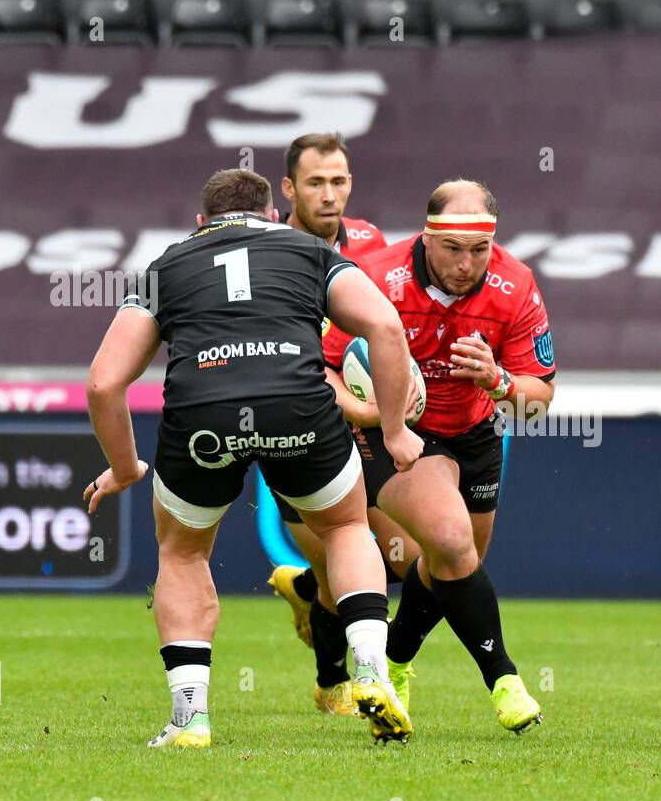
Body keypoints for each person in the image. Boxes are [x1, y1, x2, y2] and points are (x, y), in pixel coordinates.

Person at [84, 168, 422, 747]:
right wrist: (394, 432)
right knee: (344, 529)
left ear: (200, 223)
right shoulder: (309, 250)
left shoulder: (167, 265)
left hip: (202, 420)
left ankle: (191, 719)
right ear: (271, 214)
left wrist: (124, 467)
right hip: (298, 408)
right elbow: (385, 325)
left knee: (184, 554)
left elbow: (102, 384)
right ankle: (368, 664)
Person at [322, 179, 557, 733]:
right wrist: (370, 415)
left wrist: (499, 381)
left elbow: (539, 398)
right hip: (394, 433)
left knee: (451, 564)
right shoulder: (375, 277)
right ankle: (504, 679)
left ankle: (396, 663)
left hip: (474, 434)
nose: (465, 264)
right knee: (450, 542)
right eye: (452, 249)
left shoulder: (516, 285)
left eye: (479, 250)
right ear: (427, 236)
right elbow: (320, 367)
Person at [259, 132, 422, 719]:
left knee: (397, 559)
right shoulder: (266, 248)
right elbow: (283, 354)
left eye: (339, 181)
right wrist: (358, 407)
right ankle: (334, 681)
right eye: (315, 183)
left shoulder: (371, 242)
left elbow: (382, 331)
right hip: (294, 423)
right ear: (288, 188)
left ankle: (305, 594)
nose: (329, 195)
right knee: (343, 556)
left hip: (366, 422)